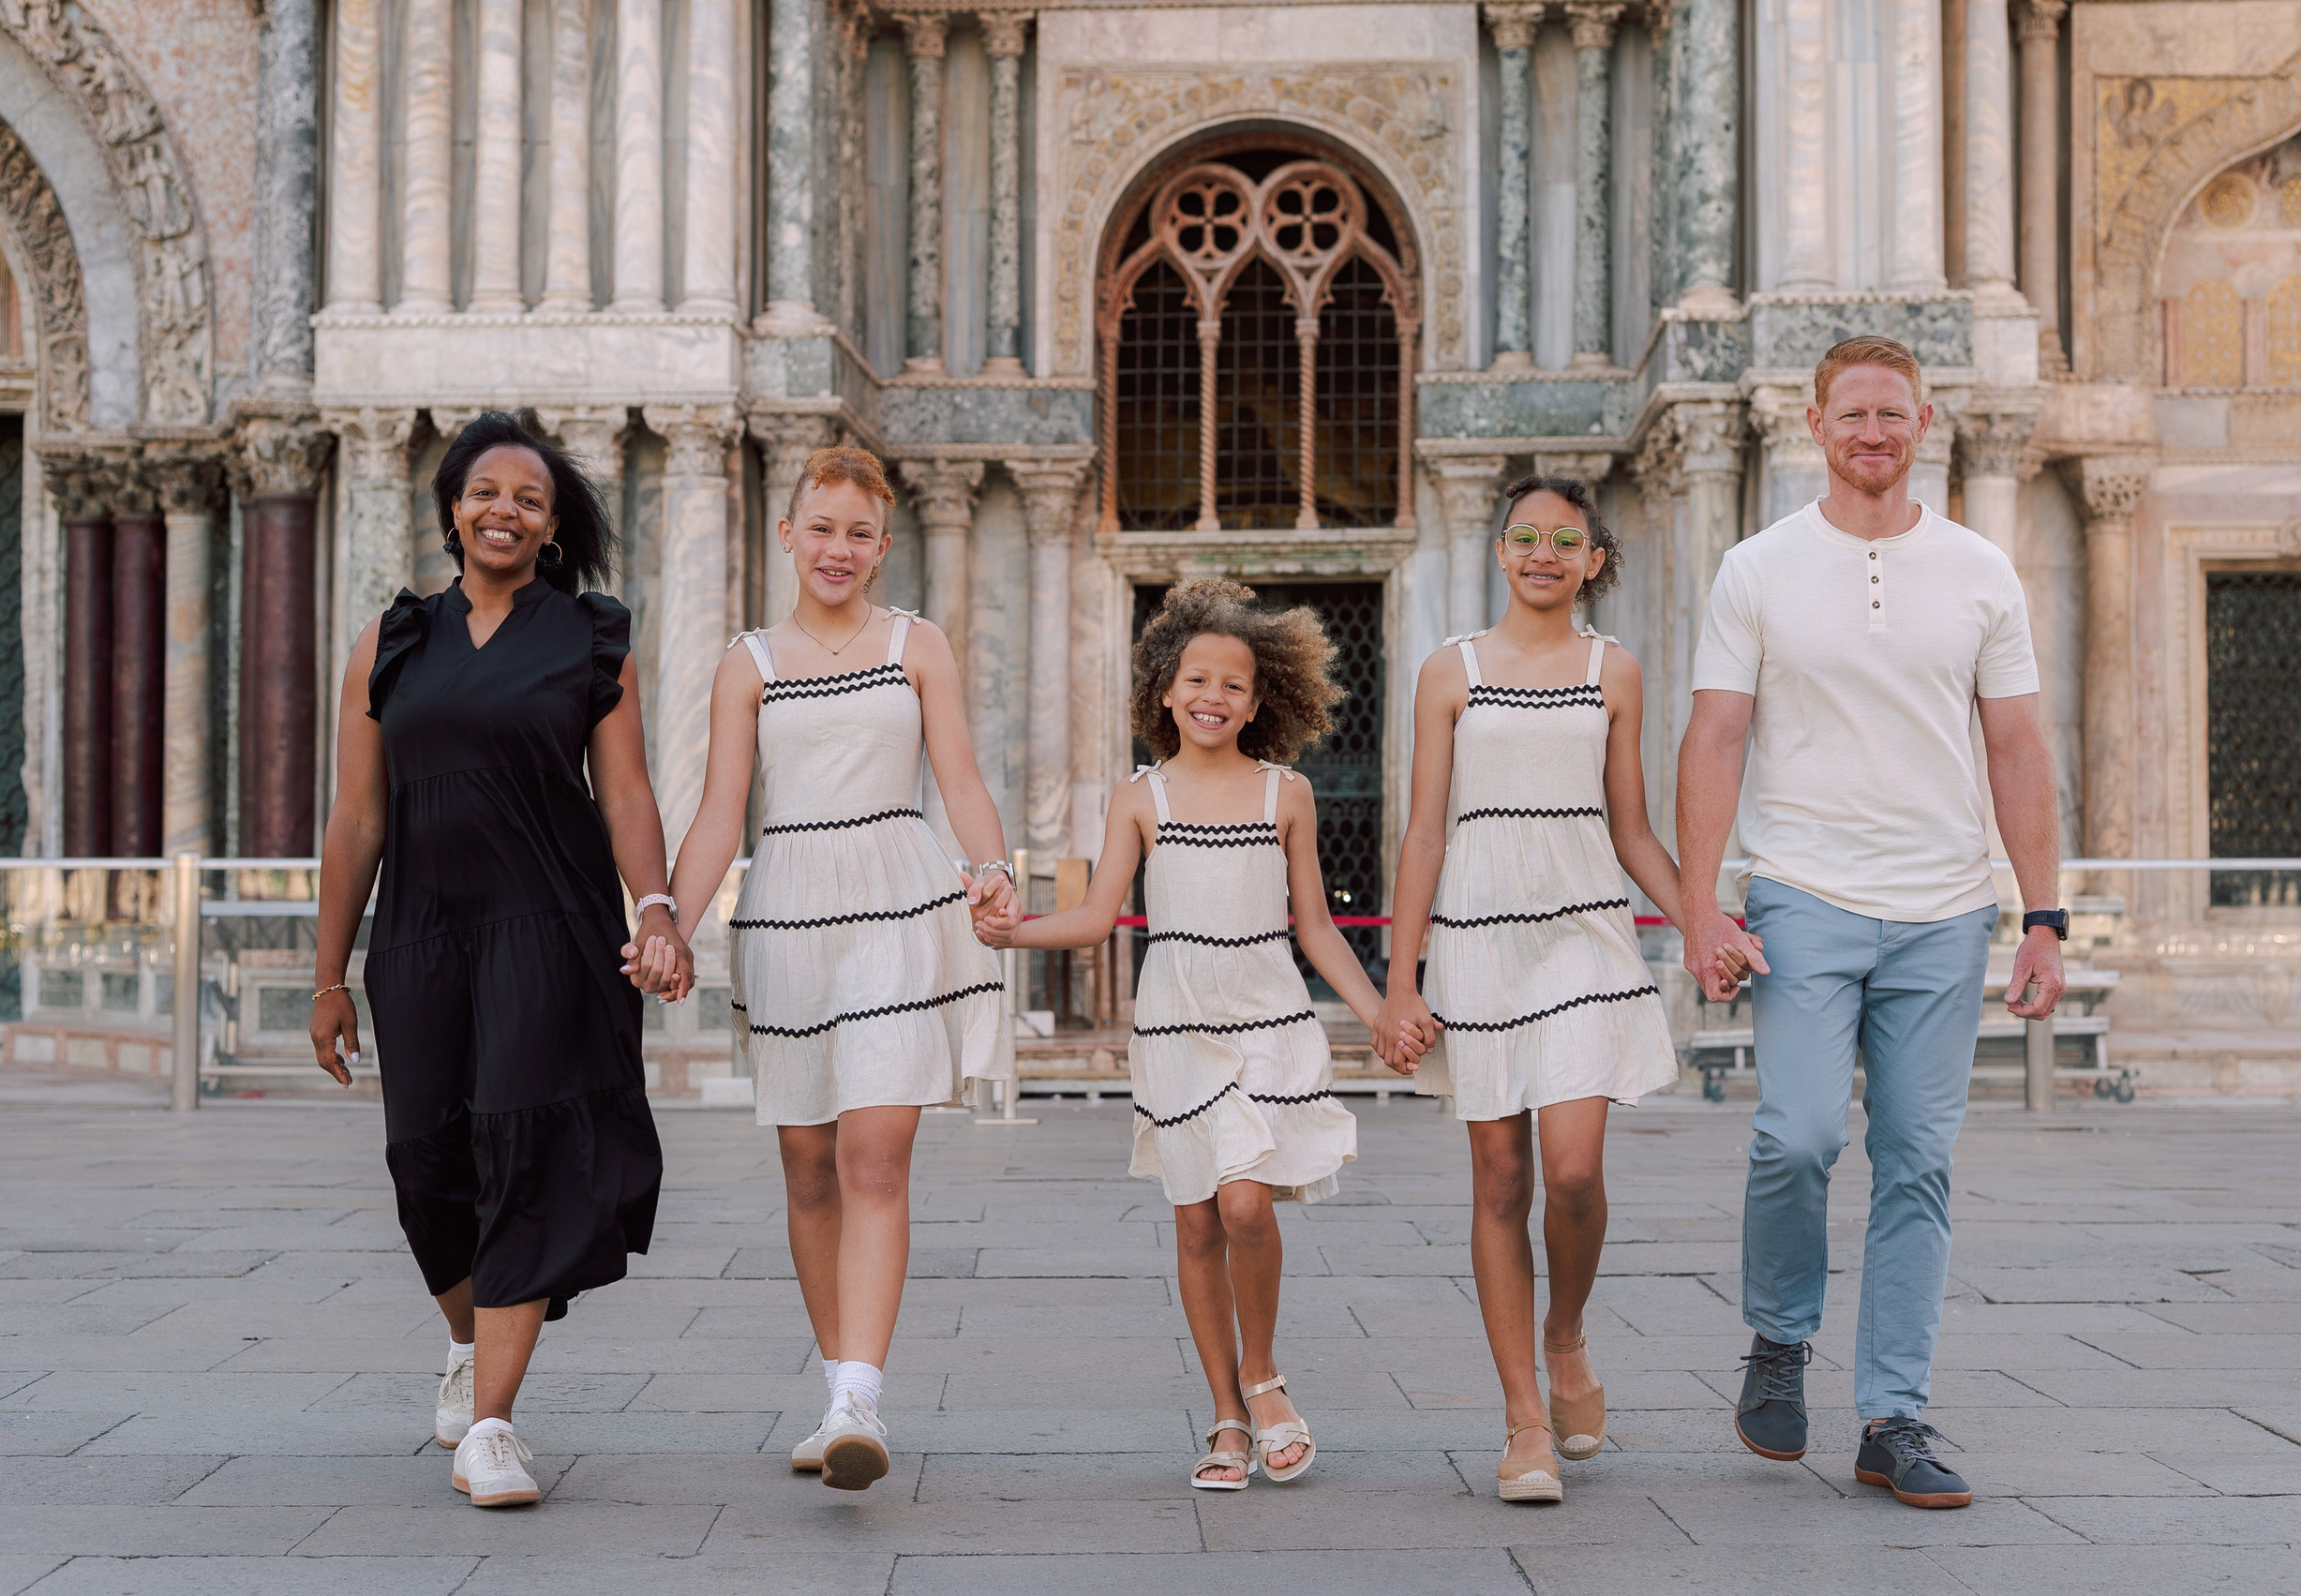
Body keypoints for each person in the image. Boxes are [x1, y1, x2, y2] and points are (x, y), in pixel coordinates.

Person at [1677, 335, 2064, 1511]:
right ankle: (1780, 1340)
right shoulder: (1756, 566)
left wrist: (2042, 913)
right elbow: (1715, 737)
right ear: (1816, 425)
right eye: (1852, 414)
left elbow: (2016, 748)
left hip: (1945, 907)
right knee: (1794, 1135)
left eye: (1892, 413)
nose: (1873, 432)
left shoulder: (1980, 569)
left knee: (1918, 1163)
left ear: (1925, 420)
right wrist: (1701, 901)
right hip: (1802, 893)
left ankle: (1893, 1414)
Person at [310, 410, 686, 1510]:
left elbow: (623, 790)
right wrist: (328, 975)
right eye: (485, 492)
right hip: (422, 931)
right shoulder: (392, 641)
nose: (504, 510)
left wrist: (654, 906)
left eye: (528, 496)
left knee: (521, 1149)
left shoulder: (588, 633)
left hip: (549, 923)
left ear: (553, 521)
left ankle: (494, 1423)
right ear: (450, 508)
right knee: (425, 1165)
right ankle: (469, 1344)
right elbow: (357, 817)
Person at [979, 578, 1401, 1492]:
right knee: (1196, 1217)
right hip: (1173, 1025)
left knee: (1245, 1201)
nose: (1213, 695)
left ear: (1261, 700)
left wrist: (1377, 1014)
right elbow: (1096, 915)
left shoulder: (1286, 794)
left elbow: (1317, 926)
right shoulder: (1141, 797)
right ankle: (1224, 1415)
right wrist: (1013, 929)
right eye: (1196, 677)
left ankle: (1263, 1375)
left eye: (1234, 684)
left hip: (1267, 1015)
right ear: (1164, 688)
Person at [665, 445, 1015, 1493]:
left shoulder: (918, 644)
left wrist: (990, 864)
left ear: (883, 545)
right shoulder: (749, 661)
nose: (838, 548)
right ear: (788, 532)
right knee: (808, 1163)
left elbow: (957, 773)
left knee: (874, 1154)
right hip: (789, 913)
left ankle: (859, 1393)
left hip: (900, 907)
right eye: (821, 527)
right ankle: (835, 1388)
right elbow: (722, 809)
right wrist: (670, 925)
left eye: (859, 532)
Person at [1373, 477, 1697, 1504]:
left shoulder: (1615, 670)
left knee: (1571, 1171)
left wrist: (1704, 919)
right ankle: (1523, 1423)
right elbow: (1424, 829)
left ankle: (1566, 1332)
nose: (1543, 553)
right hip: (1476, 939)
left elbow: (1633, 827)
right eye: (1525, 536)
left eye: (1566, 539)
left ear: (1594, 557)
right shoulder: (1448, 671)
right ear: (1501, 550)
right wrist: (1398, 979)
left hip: (1584, 935)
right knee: (1500, 1177)